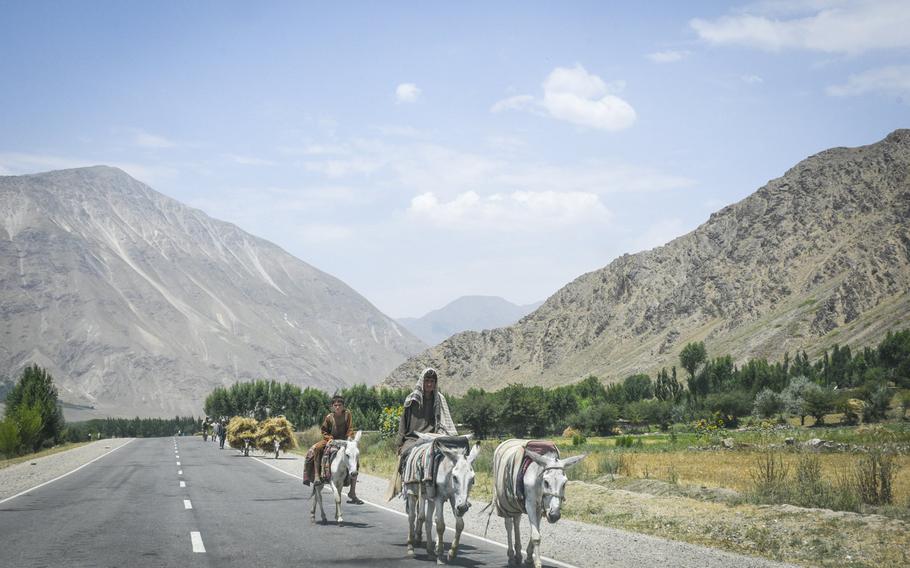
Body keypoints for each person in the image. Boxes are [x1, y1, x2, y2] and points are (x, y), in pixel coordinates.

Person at [385, 367, 457, 500]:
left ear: (435, 383)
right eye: (427, 381)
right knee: (405, 456)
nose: (429, 384)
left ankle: (445, 488)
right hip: (412, 438)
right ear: (422, 382)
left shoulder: (439, 399)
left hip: (432, 438)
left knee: (448, 458)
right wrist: (399, 443)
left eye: (432, 381)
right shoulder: (412, 399)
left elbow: (443, 422)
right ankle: (405, 484)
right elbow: (403, 423)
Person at [303, 395, 363, 504]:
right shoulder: (329, 417)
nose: (337, 407)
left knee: (354, 458)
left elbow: (350, 428)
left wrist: (349, 437)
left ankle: (352, 492)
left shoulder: (347, 415)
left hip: (344, 441)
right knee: (317, 448)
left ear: (343, 406)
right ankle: (317, 475)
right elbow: (324, 431)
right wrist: (329, 438)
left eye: (340, 405)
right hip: (331, 440)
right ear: (332, 407)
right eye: (335, 405)